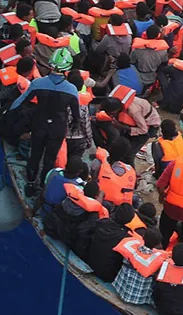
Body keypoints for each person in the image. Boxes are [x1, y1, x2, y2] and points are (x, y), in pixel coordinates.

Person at [9, 48, 80, 183]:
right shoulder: (72, 90)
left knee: (34, 156)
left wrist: (5, 113)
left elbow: (19, 103)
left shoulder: (37, 83)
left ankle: (30, 183)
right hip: (57, 129)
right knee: (50, 159)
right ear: (67, 68)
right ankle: (43, 183)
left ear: (50, 64)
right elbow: (76, 118)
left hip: (39, 125)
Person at [112, 228, 168, 306]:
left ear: (143, 237)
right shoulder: (158, 259)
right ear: (157, 244)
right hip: (139, 297)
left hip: (121, 287)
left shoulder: (130, 246)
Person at [86, 203, 136, 282]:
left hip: (89, 261)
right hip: (107, 275)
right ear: (129, 220)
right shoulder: (126, 239)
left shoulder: (101, 222)